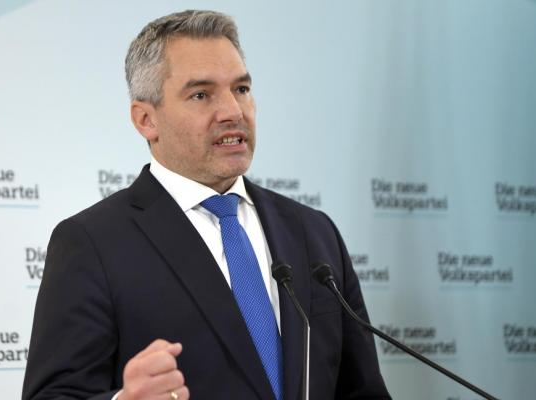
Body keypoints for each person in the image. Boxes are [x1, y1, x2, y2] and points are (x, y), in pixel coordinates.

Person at [23, 10, 390, 400]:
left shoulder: (314, 232)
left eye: (241, 89)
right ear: (146, 119)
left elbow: (362, 391)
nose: (233, 111)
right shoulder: (92, 243)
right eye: (201, 95)